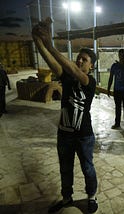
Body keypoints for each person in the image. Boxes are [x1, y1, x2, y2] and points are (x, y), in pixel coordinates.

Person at [32, 17, 98, 213]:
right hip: (64, 133)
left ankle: (92, 196)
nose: (79, 60)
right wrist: (38, 42)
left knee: (87, 168)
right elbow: (53, 63)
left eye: (84, 59)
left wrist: (50, 44)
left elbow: (74, 70)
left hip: (84, 135)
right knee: (65, 169)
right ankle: (67, 198)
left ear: (91, 66)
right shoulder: (66, 77)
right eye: (78, 57)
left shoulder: (89, 81)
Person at [107, 49, 124, 129]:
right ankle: (117, 123)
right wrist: (108, 88)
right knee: (118, 107)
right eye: (120, 55)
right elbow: (111, 77)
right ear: (118, 56)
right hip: (117, 90)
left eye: (123, 55)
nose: (121, 56)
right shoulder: (114, 66)